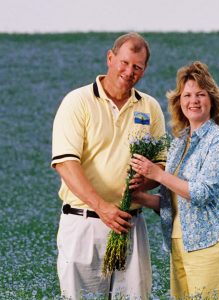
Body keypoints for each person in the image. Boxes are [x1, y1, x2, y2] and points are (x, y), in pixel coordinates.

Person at [51, 32, 166, 299]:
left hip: (130, 224)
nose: (129, 71)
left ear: (144, 70)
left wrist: (145, 181)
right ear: (110, 58)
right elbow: (66, 163)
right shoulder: (77, 101)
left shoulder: (150, 107)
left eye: (137, 66)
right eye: (124, 62)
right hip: (84, 223)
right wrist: (103, 208)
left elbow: (159, 166)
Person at [131, 61, 219, 299]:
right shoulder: (180, 142)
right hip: (181, 244)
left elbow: (201, 194)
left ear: (211, 100)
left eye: (200, 94)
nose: (193, 100)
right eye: (187, 95)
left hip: (213, 243)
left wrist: (157, 174)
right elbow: (172, 200)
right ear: (179, 102)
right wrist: (140, 197)